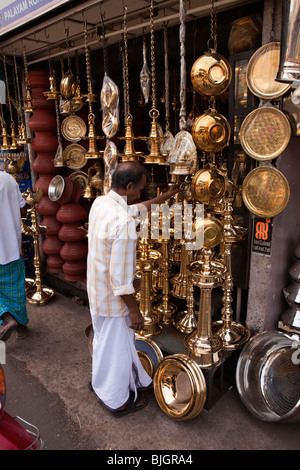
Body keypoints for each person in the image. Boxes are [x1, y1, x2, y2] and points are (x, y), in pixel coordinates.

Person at [87, 161, 180, 416]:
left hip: (96, 292)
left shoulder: (101, 203)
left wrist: (166, 197)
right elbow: (120, 280)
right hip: (114, 300)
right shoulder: (123, 223)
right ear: (128, 186)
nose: (142, 193)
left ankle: (102, 383)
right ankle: (116, 400)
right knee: (115, 350)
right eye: (140, 188)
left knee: (104, 343)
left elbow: (135, 209)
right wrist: (134, 311)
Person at [0, 171, 29, 341]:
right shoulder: (9, 179)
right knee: (16, 289)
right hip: (11, 247)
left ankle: (7, 318)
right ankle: (21, 327)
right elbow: (23, 209)